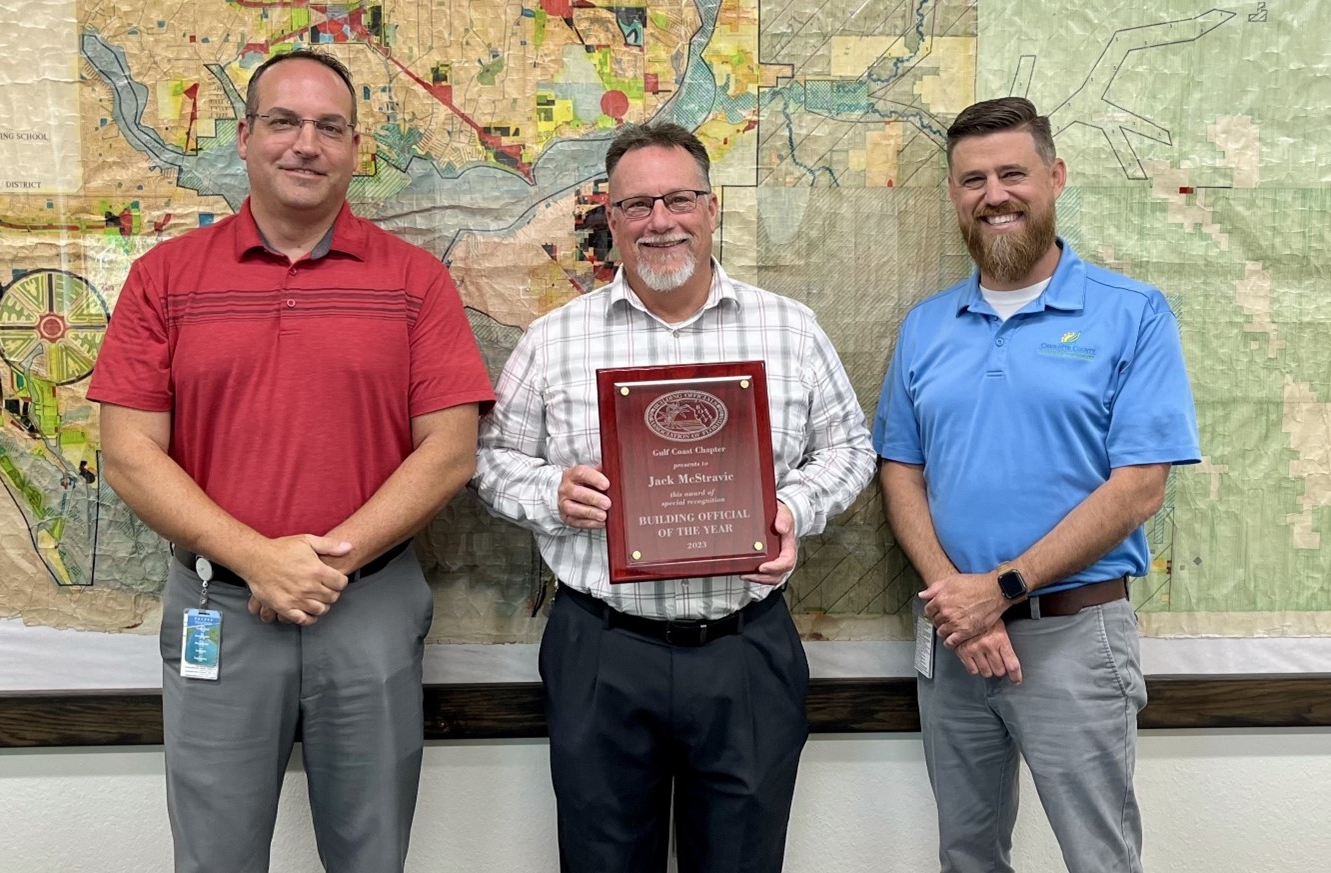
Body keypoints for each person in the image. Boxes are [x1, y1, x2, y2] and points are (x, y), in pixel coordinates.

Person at [86, 49, 494, 873]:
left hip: (368, 607)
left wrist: (320, 564)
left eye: (330, 127)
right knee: (214, 856)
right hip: (220, 606)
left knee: (372, 852)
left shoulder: (416, 281)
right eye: (284, 121)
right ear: (243, 137)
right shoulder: (163, 278)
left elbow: (450, 450)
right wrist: (257, 559)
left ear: (353, 149)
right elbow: (129, 453)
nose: (306, 144)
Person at [473, 121, 875, 872]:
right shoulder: (554, 339)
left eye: (679, 199)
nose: (661, 221)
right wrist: (550, 490)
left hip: (746, 649)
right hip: (601, 648)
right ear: (612, 219)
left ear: (711, 207)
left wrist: (791, 508)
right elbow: (491, 460)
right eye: (637, 205)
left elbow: (852, 449)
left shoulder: (789, 329)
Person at [873, 97, 1201, 873]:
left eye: (1013, 173)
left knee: (1100, 858)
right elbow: (900, 469)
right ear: (955, 194)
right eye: (973, 179)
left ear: (1053, 178)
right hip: (956, 644)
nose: (995, 194)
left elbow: (1138, 489)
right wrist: (961, 596)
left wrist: (1005, 586)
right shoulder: (926, 326)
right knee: (968, 855)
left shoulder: (1133, 315)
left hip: (1075, 640)